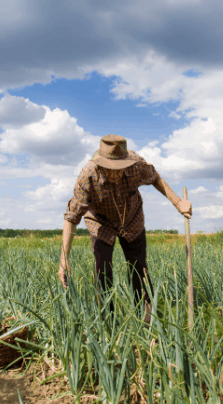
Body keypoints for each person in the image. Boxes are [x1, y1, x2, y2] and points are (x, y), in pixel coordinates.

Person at [59, 134, 192, 323]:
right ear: (100, 163)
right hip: (101, 223)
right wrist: (64, 261)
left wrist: (178, 202)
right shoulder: (87, 176)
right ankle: (108, 323)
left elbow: (155, 178)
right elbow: (71, 217)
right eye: (109, 169)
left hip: (132, 221)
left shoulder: (136, 165)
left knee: (139, 269)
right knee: (102, 271)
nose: (114, 173)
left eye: (119, 168)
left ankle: (148, 322)